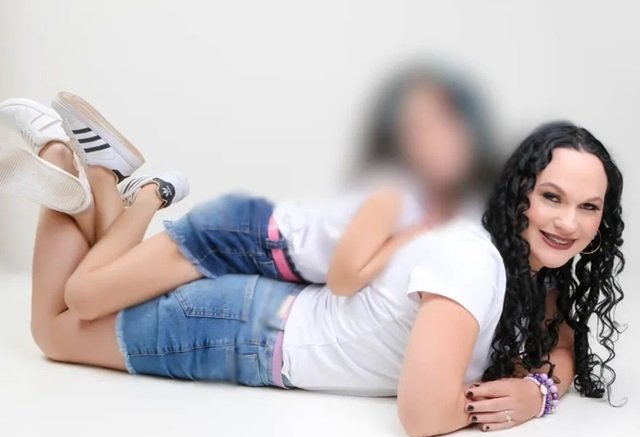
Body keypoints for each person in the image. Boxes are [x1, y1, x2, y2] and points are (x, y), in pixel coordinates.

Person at [0, 113, 624, 437]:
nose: (567, 221)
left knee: (85, 297)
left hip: (261, 316)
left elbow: (562, 345)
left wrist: (538, 391)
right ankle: (62, 159)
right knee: (56, 327)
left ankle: (97, 172)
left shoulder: (528, 274)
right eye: (551, 197)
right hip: (246, 335)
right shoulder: (473, 263)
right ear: (519, 194)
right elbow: (424, 413)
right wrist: (515, 401)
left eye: (588, 207)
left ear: (605, 220)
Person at [0, 65, 493, 316]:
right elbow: (344, 278)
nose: (439, 143)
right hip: (241, 238)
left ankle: (97, 175)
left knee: (108, 290)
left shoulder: (425, 204)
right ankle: (150, 192)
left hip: (254, 245)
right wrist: (408, 238)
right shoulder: (398, 196)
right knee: (84, 297)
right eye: (421, 130)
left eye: (446, 129)